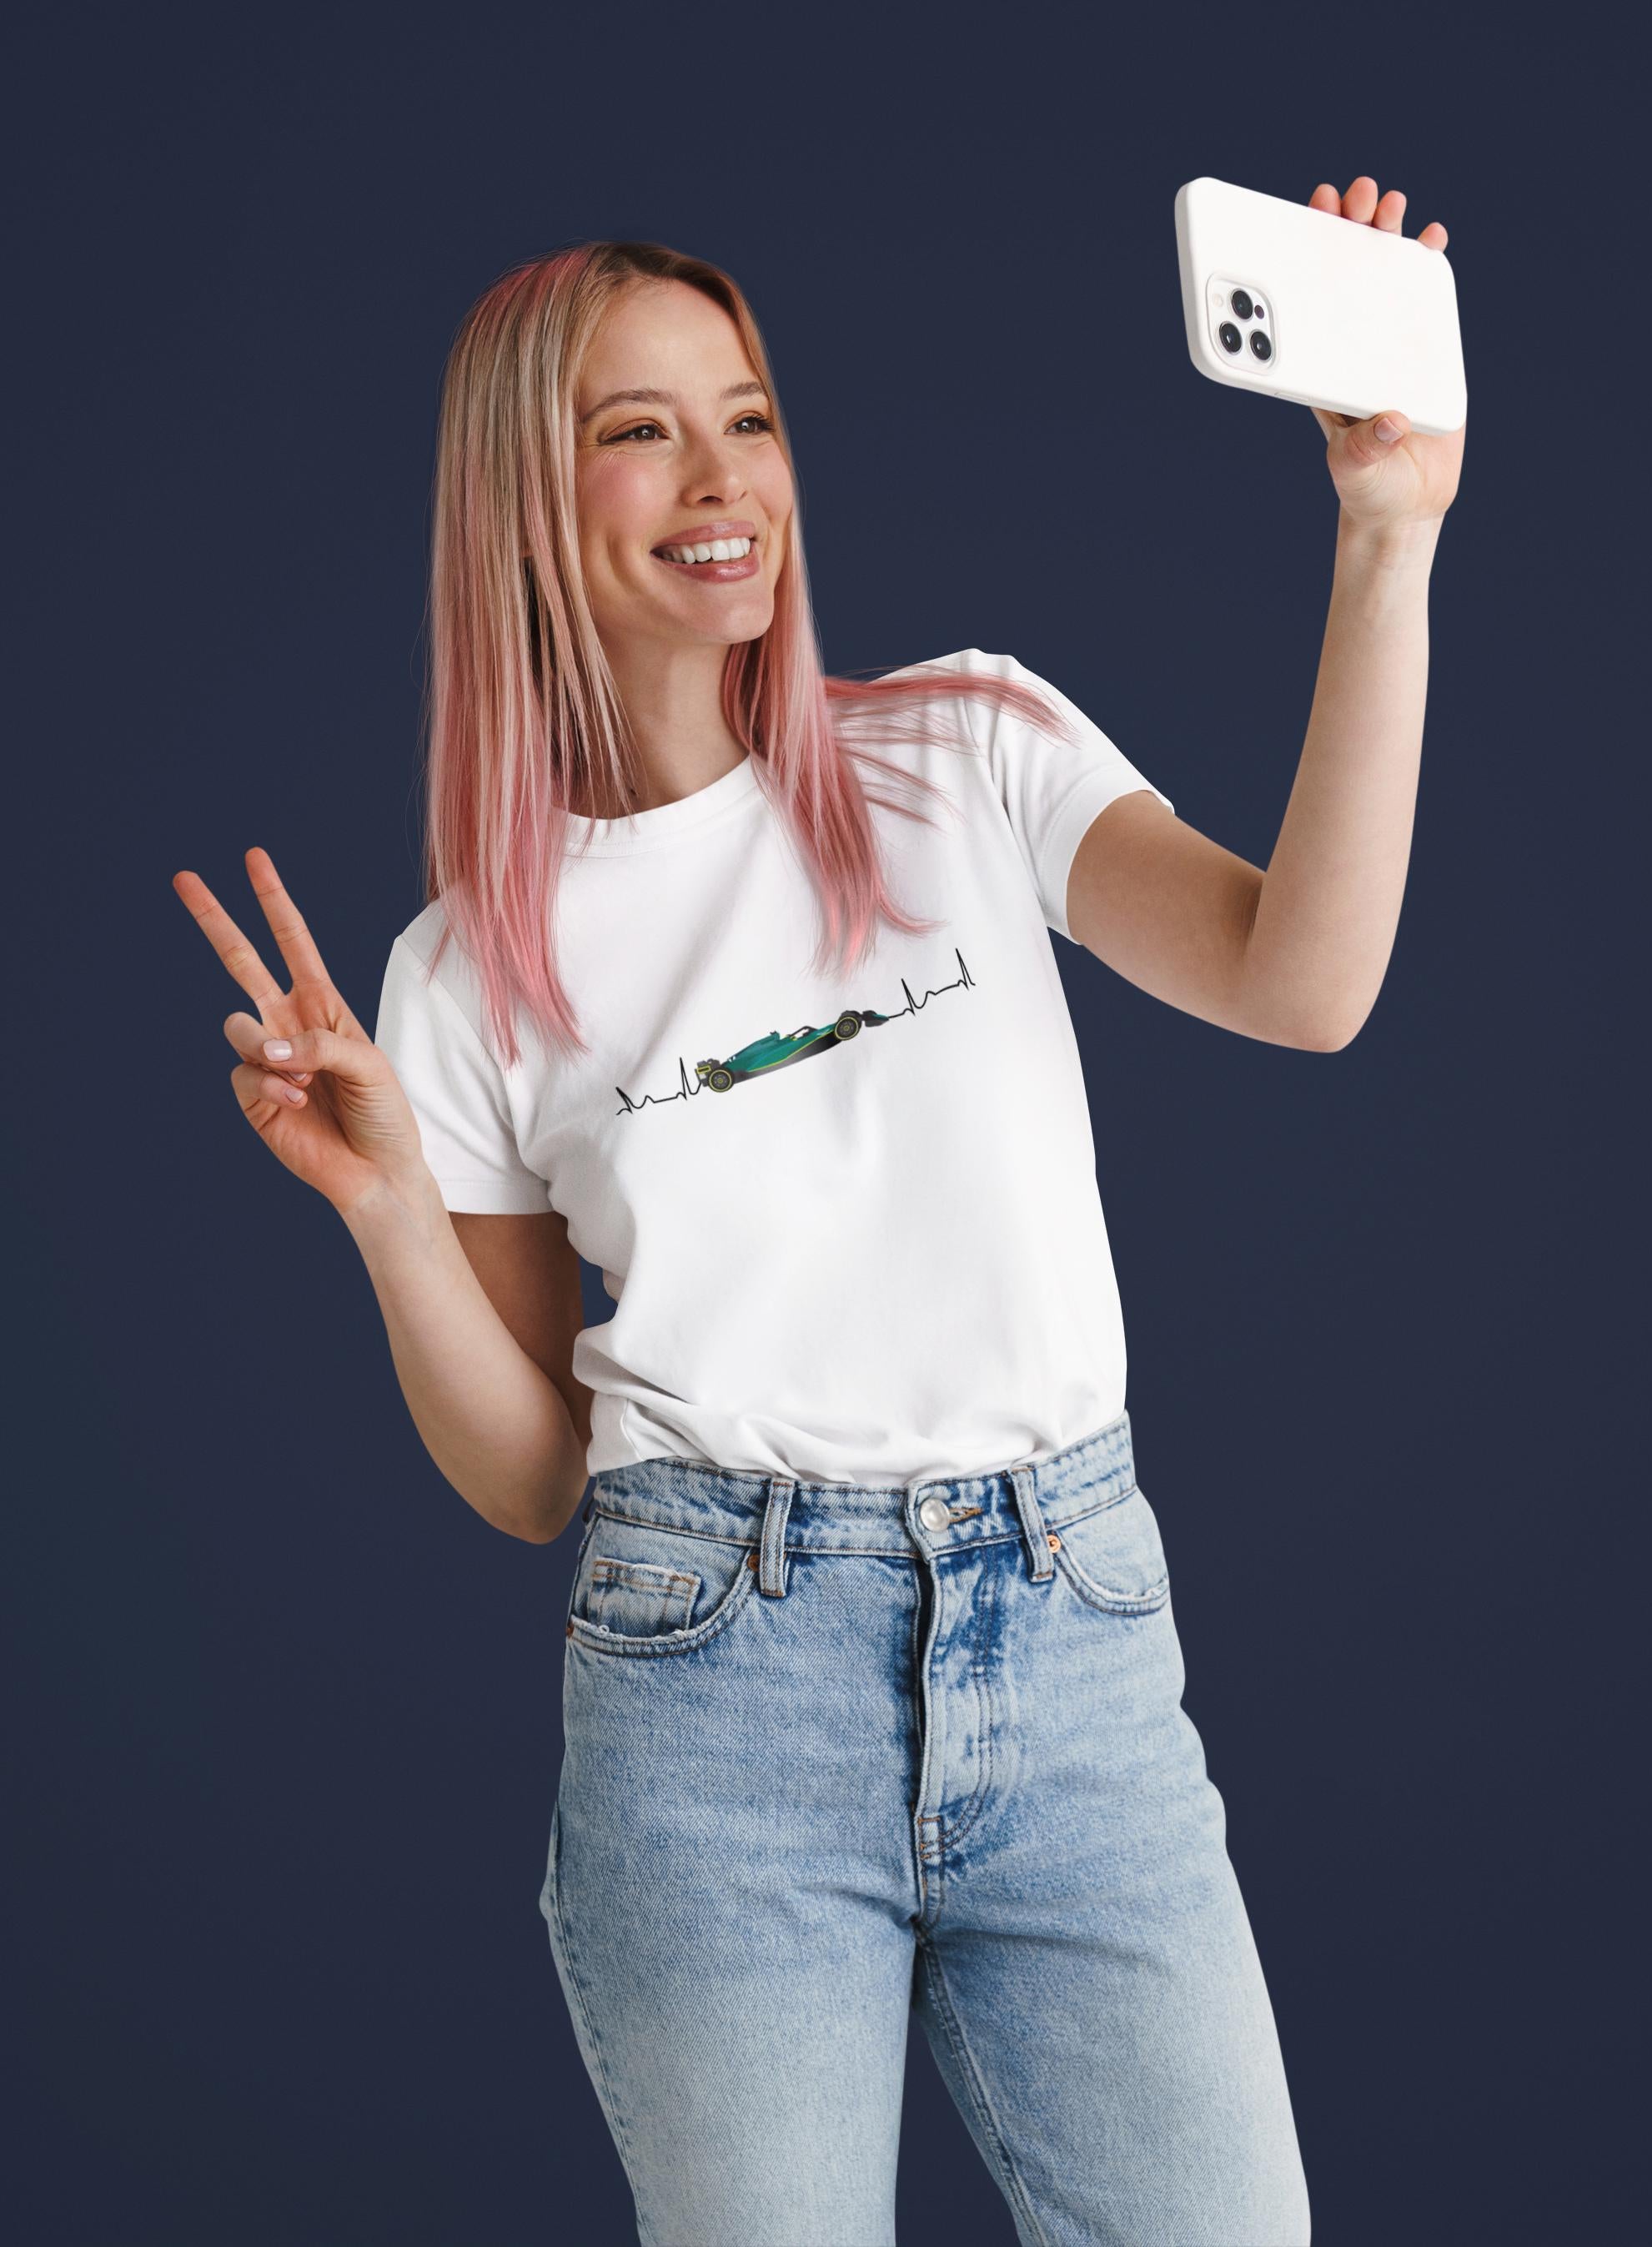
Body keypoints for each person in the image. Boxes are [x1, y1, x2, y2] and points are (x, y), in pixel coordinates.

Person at [173, 178, 1462, 2246]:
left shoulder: (965, 744)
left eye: (750, 416)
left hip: (1080, 1635)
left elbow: (1301, 987)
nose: (721, 478)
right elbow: (533, 1485)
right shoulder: (460, 976)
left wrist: (1384, 535)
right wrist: (393, 1211)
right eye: (640, 428)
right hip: (717, 1702)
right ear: (527, 494)